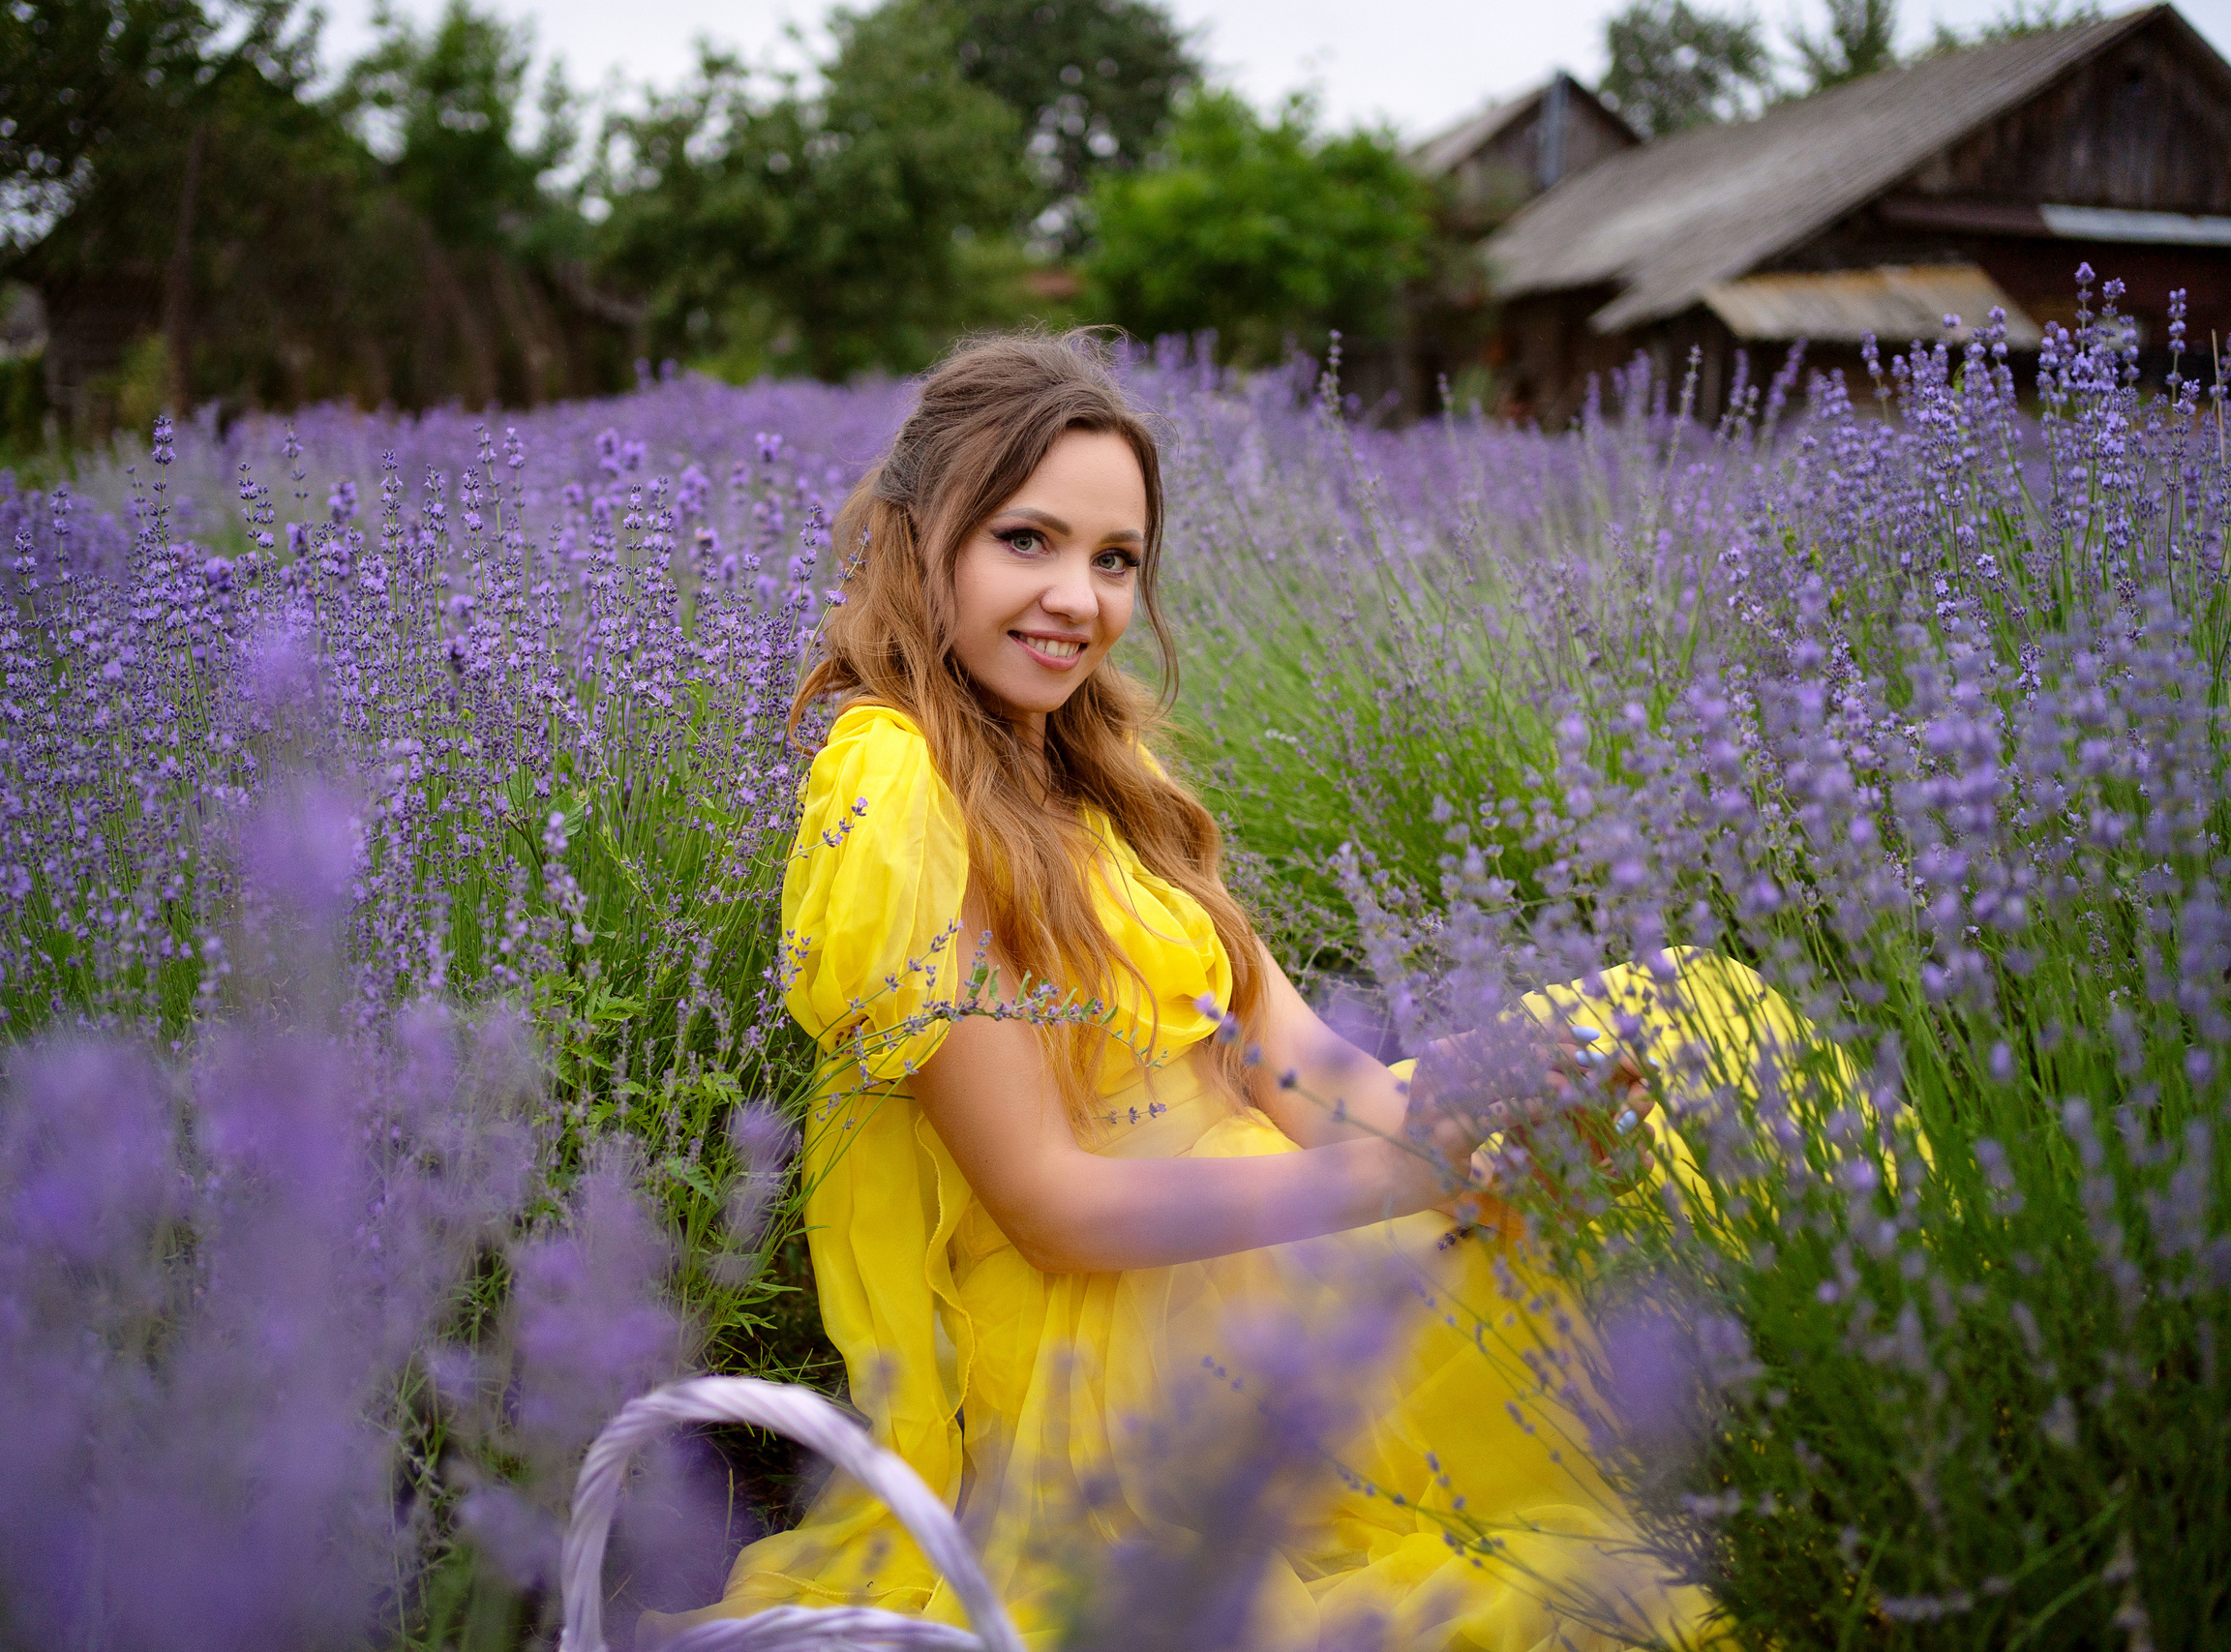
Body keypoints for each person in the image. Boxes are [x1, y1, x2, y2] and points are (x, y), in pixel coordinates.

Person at [657, 333, 1793, 1651]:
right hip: (1128, 1355)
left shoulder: (1101, 774)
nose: (1077, 598)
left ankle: (1914, 1407)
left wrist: (1484, 1128)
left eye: (1115, 559)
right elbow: (1049, 1207)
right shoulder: (899, 785)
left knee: (1692, 1019)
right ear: (921, 542)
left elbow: (1303, 1074)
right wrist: (1399, 1188)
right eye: (1026, 541)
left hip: (1269, 1231)